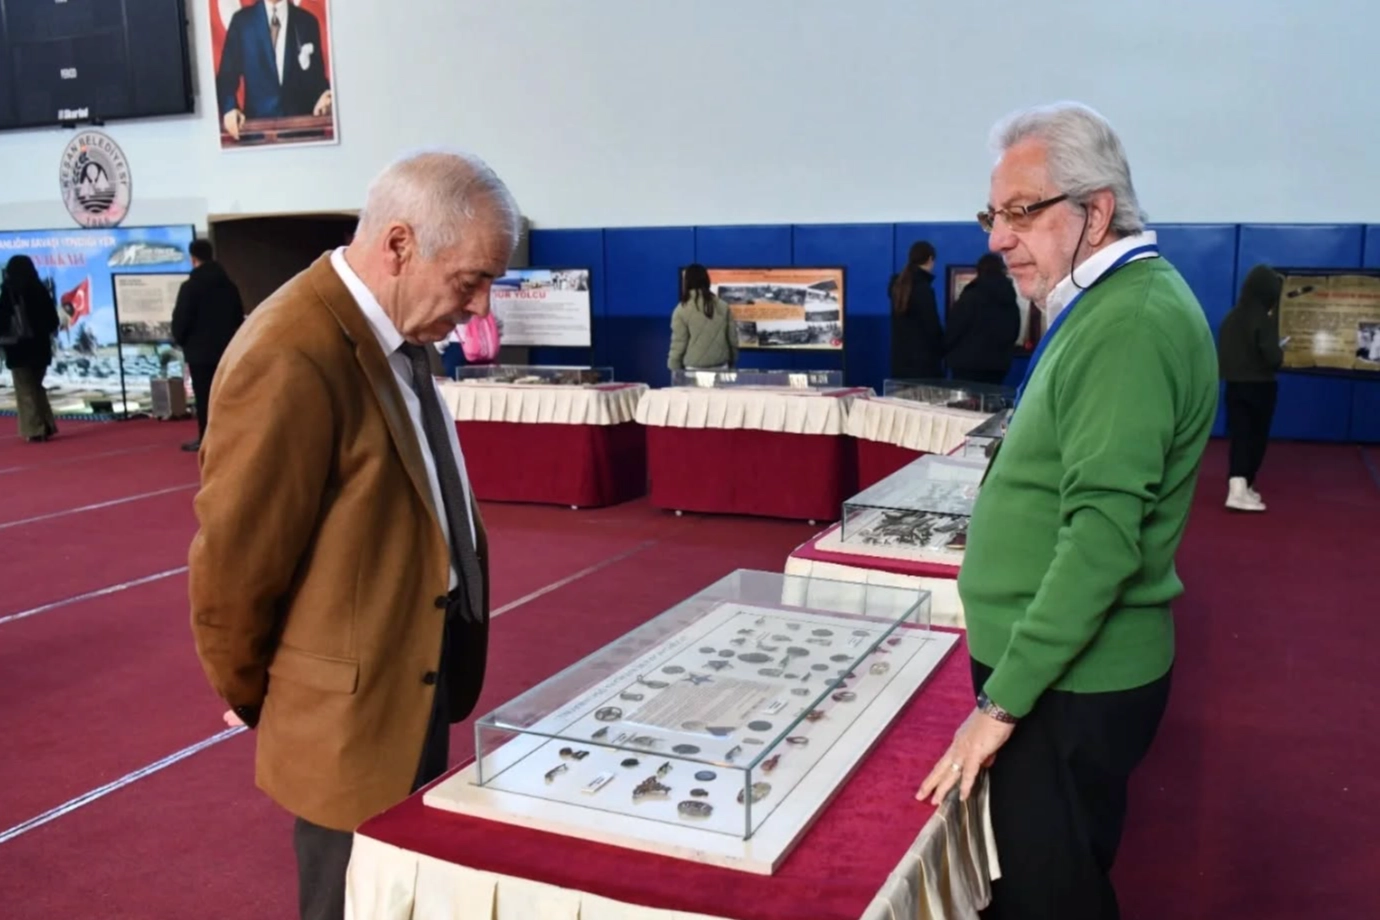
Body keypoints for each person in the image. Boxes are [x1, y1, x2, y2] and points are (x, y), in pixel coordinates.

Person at [188, 148, 520, 920]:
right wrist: (272, 699)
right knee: (346, 902)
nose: (480, 306)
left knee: (401, 895)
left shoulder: (397, 332)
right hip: (344, 716)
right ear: (399, 245)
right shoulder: (291, 353)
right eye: (470, 279)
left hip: (416, 674)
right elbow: (234, 567)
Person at [916, 102, 1218, 920]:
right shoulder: (1109, 303)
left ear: (1097, 210)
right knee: (1050, 875)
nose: (997, 238)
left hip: (1068, 682)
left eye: (1022, 211)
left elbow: (1102, 543)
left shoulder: (1129, 324)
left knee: (1049, 897)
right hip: (1061, 671)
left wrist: (1000, 705)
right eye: (992, 214)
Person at [1217, 264, 1284, 512]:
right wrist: (1280, 351)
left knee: (1240, 437)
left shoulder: (1231, 318)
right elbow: (1273, 358)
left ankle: (1240, 488)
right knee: (1256, 439)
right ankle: (1241, 489)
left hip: (1234, 386)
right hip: (1261, 387)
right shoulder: (1262, 320)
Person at [216, 0, 333, 142]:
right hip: (257, 136)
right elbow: (226, 79)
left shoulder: (307, 22)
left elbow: (317, 81)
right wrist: (229, 108)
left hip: (303, 135)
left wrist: (325, 96)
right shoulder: (242, 22)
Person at [171, 239, 245, 452]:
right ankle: (230, 437)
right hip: (226, 351)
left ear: (193, 259)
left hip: (199, 353)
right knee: (225, 395)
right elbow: (238, 317)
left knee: (204, 398)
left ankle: (207, 439)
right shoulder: (229, 286)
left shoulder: (190, 287)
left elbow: (181, 320)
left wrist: (182, 340)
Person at [0, 255, 60, 442]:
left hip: (18, 348)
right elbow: (53, 321)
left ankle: (35, 429)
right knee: (37, 387)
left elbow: (2, 321)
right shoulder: (40, 289)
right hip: (40, 347)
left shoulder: (8, 292)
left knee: (25, 390)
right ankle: (47, 424)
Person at [945, 252, 1022, 386]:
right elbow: (1014, 331)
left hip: (966, 365)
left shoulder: (970, 297)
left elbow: (954, 329)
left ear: (979, 271)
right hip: (998, 366)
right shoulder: (1009, 298)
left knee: (965, 399)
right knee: (991, 398)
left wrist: (944, 350)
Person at [889, 241, 944, 380]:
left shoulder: (898, 287)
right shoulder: (923, 289)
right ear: (930, 259)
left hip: (901, 363)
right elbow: (932, 327)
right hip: (923, 365)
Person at [668, 263, 738, 371]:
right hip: (721, 367)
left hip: (693, 370)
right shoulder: (723, 306)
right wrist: (733, 361)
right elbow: (732, 338)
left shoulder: (681, 310)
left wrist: (674, 367)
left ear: (686, 282)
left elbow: (678, 344)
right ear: (707, 280)